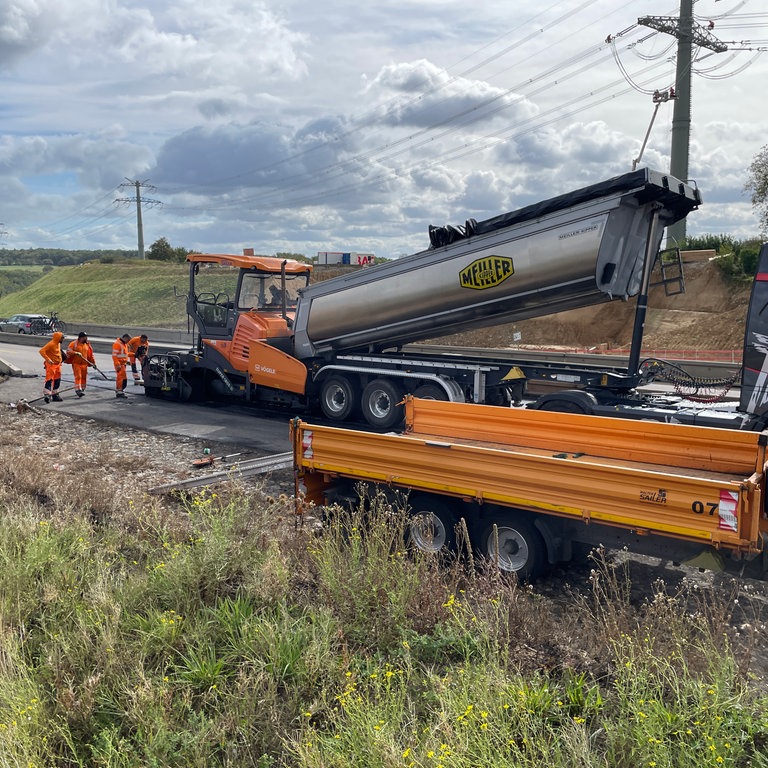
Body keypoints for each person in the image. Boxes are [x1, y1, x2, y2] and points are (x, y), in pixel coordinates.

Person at [66, 332, 96, 397]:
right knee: (78, 376)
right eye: (85, 337)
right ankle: (78, 389)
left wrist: (93, 363)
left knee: (83, 377)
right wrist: (75, 353)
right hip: (76, 363)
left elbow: (90, 355)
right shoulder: (74, 344)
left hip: (84, 364)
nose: (86, 338)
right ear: (81, 338)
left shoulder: (87, 345)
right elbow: (68, 351)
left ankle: (82, 388)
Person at [39, 331, 66, 403]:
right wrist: (48, 359)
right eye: (62, 338)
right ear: (58, 338)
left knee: (57, 380)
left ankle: (55, 395)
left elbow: (58, 352)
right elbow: (42, 351)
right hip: (51, 365)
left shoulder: (58, 344)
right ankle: (47, 395)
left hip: (58, 365)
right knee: (49, 380)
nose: (63, 339)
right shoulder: (51, 344)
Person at [112, 333, 131, 399]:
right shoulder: (117, 344)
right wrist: (117, 364)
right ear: (125, 338)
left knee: (123, 379)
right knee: (121, 378)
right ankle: (119, 391)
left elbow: (124, 354)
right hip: (119, 364)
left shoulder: (124, 344)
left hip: (123, 364)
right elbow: (115, 356)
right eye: (128, 340)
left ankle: (120, 390)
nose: (128, 342)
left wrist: (126, 361)